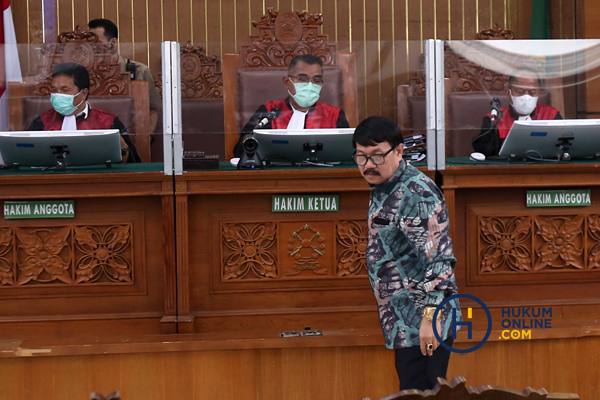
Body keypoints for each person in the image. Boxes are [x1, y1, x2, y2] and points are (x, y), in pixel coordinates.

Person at [353, 116, 461, 391]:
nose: (368, 166)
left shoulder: (417, 194)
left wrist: (430, 319)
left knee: (426, 393)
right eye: (361, 157)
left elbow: (440, 262)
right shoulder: (384, 184)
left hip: (425, 322)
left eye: (377, 156)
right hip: (405, 320)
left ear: (399, 151)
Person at [233, 54, 350, 157]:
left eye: (316, 80)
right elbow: (241, 151)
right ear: (287, 82)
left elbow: (348, 152)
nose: (310, 85)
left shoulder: (335, 115)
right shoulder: (269, 111)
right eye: (302, 79)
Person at [28, 62, 141, 163]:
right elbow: (26, 157)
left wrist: (123, 148)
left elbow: (131, 165)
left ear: (83, 93)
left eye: (65, 90)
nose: (58, 95)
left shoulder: (108, 123)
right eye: (54, 90)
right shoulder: (41, 122)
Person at [88, 18, 161, 133]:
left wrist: (148, 136)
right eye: (89, 44)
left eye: (98, 44)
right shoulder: (84, 74)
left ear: (113, 43)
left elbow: (153, 110)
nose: (93, 49)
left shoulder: (139, 71)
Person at [472, 67, 563, 157]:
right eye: (520, 91)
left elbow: (563, 145)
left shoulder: (551, 115)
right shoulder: (495, 119)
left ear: (538, 94)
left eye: (532, 92)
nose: (526, 97)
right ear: (508, 93)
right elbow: (484, 149)